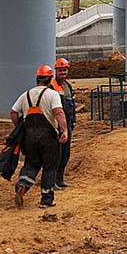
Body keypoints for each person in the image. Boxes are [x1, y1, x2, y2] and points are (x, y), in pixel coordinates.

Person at [10, 65, 68, 208]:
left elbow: (13, 112)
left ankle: (22, 184)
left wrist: (19, 127)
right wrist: (64, 130)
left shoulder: (26, 95)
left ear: (37, 79)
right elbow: (59, 113)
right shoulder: (52, 94)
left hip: (29, 137)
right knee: (49, 166)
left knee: (31, 163)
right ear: (50, 79)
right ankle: (47, 199)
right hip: (48, 137)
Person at [51, 58, 75, 189]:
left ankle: (60, 179)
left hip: (68, 123)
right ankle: (52, 180)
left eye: (65, 70)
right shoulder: (52, 86)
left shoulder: (67, 86)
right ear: (56, 71)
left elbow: (72, 104)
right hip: (57, 124)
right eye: (60, 70)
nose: (63, 72)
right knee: (57, 153)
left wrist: (73, 121)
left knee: (65, 153)